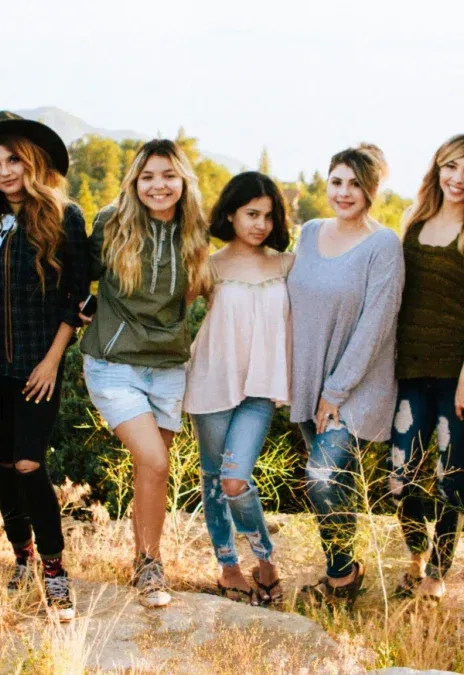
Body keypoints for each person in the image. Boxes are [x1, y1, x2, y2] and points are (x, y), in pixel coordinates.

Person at [0, 111, 88, 622]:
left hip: (39, 368)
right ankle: (21, 556)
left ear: (32, 162)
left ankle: (54, 569)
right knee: (6, 464)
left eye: (13, 160)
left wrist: (53, 359)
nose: (5, 171)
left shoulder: (63, 217)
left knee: (31, 462)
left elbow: (78, 297)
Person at [80, 139, 213, 608]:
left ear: (183, 181)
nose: (159, 186)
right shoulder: (111, 223)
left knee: (150, 472)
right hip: (114, 364)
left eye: (168, 176)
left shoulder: (195, 231)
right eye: (148, 176)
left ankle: (147, 564)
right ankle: (150, 564)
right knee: (157, 461)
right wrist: (83, 308)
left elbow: (196, 292)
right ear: (135, 181)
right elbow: (79, 275)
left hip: (169, 366)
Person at [287, 144, 404, 606]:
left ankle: (342, 574)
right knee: (331, 485)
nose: (344, 191)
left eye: (356, 183)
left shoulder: (383, 244)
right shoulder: (310, 231)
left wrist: (335, 390)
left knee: (322, 476)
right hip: (308, 382)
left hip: (356, 386)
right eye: (337, 181)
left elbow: (377, 324)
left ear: (372, 189)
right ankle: (342, 573)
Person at [388, 134, 464, 600]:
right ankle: (416, 552)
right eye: (451, 167)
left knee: (449, 474)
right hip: (410, 368)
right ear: (437, 168)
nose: (458, 178)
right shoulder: (413, 221)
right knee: (401, 473)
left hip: (460, 373)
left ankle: (437, 572)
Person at [183, 171, 292, 605]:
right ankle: (228, 567)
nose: (260, 224)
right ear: (231, 213)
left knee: (234, 480)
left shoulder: (287, 264)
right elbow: (165, 314)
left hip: (259, 390)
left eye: (268, 216)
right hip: (211, 383)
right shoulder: (209, 266)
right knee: (214, 479)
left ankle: (265, 560)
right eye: (251, 214)